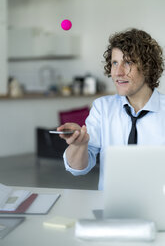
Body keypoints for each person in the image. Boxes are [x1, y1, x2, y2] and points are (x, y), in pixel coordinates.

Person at [57, 28, 165, 190]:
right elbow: (77, 169)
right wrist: (80, 145)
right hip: (112, 209)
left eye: (128, 62)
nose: (118, 72)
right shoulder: (102, 108)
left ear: (148, 67)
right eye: (115, 63)